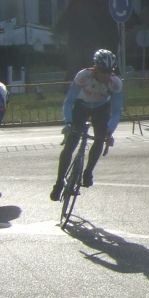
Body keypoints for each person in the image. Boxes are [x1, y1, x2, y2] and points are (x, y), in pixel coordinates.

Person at [51, 49, 123, 201]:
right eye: (102, 71)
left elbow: (116, 112)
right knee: (70, 144)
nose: (106, 75)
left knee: (100, 138)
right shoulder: (83, 76)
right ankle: (59, 183)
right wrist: (68, 122)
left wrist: (109, 130)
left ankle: (88, 172)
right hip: (81, 106)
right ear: (95, 68)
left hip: (101, 108)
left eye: (109, 71)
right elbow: (69, 101)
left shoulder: (115, 83)